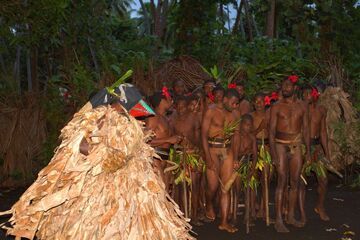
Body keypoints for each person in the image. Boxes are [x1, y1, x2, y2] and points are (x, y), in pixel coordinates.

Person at [269, 77, 311, 233]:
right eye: (283, 85)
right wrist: (273, 153)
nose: (284, 87)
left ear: (295, 88)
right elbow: (271, 132)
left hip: (297, 145)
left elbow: (306, 129)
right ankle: (278, 219)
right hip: (280, 145)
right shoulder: (276, 107)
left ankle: (291, 216)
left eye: (288, 85)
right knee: (282, 180)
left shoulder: (303, 107)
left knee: (295, 182)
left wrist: (308, 150)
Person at [201, 89, 240, 233]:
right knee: (212, 186)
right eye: (233, 103)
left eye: (237, 104)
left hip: (227, 151)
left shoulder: (235, 114)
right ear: (225, 99)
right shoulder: (210, 111)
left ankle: (224, 221)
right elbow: (203, 135)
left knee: (226, 187)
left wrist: (235, 157)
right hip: (212, 149)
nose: (235, 106)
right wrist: (207, 156)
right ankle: (209, 204)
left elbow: (236, 137)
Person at [298, 86, 331, 225]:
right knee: (301, 182)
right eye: (304, 94)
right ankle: (301, 213)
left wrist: (327, 153)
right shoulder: (299, 109)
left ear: (315, 95)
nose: (306, 96)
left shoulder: (321, 110)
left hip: (317, 147)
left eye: (308, 94)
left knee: (323, 180)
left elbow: (323, 132)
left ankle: (320, 206)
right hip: (302, 147)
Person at [170, 96, 203, 226]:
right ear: (175, 107)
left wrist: (194, 145)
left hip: (193, 155)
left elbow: (199, 138)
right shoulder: (172, 119)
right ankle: (181, 215)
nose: (181, 109)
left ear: (188, 107)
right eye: (178, 106)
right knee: (179, 187)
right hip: (179, 155)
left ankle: (194, 215)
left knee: (194, 186)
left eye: (183, 106)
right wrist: (178, 143)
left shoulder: (194, 119)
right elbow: (170, 138)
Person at [145, 88, 182, 187]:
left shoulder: (164, 118)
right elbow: (145, 141)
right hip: (155, 158)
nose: (172, 102)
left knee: (165, 193)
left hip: (165, 158)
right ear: (162, 101)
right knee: (161, 192)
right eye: (169, 99)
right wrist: (168, 139)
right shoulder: (153, 117)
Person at [251, 93, 272, 221]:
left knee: (265, 180)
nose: (259, 104)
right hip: (254, 148)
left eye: (261, 101)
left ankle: (264, 208)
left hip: (267, 148)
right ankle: (253, 208)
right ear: (253, 103)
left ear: (266, 102)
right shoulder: (251, 117)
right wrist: (260, 128)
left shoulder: (270, 116)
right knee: (253, 180)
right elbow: (248, 135)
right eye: (257, 102)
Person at [233, 114, 258, 222]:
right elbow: (234, 153)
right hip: (238, 165)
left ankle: (248, 215)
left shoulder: (252, 137)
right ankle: (233, 215)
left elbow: (255, 155)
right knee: (237, 190)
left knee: (250, 188)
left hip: (249, 163)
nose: (247, 127)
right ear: (241, 124)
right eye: (246, 125)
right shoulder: (236, 136)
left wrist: (252, 169)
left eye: (250, 125)